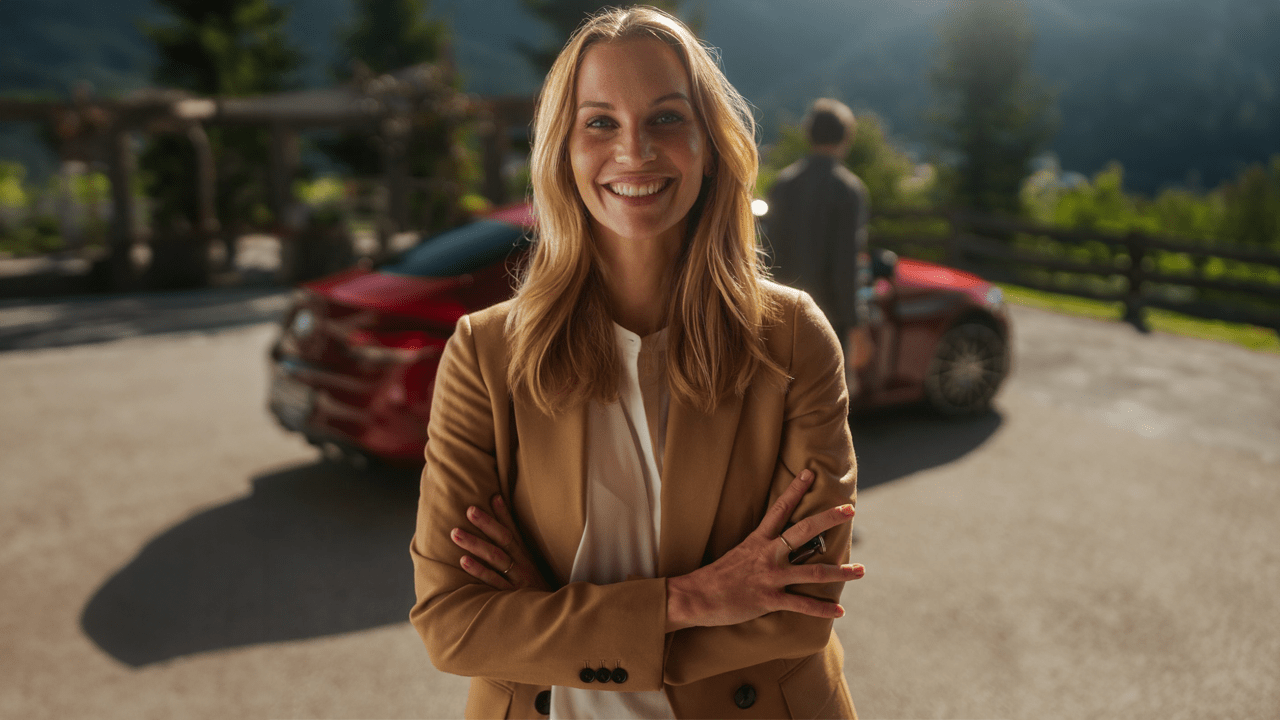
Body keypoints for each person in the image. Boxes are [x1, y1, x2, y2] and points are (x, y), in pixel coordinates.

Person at [409, 7, 863, 718]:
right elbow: (453, 624)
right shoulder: (485, 354)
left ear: (709, 145)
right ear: (562, 150)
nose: (635, 150)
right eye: (599, 122)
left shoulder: (793, 338)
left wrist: (550, 614)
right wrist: (697, 600)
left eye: (666, 119)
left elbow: (800, 609)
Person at [763, 98, 872, 395]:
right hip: (828, 321)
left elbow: (765, 255)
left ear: (809, 134)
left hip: (781, 319)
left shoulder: (782, 183)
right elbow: (846, 265)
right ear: (846, 137)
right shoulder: (847, 189)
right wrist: (857, 327)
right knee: (826, 414)